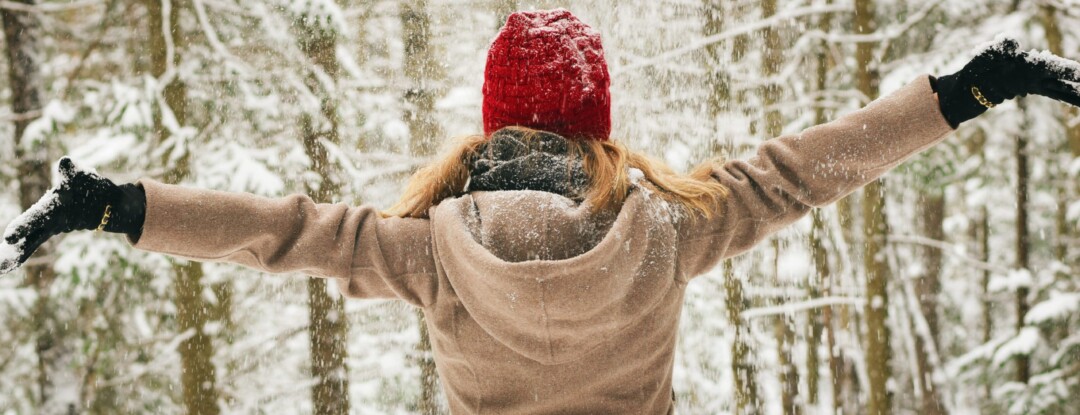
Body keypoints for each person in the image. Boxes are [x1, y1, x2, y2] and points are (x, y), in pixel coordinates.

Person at [2, 8, 1079, 414]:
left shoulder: (428, 251)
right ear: (594, 126)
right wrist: (969, 88)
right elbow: (808, 169)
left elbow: (278, 233)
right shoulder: (671, 226)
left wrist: (118, 205)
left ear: (489, 128)